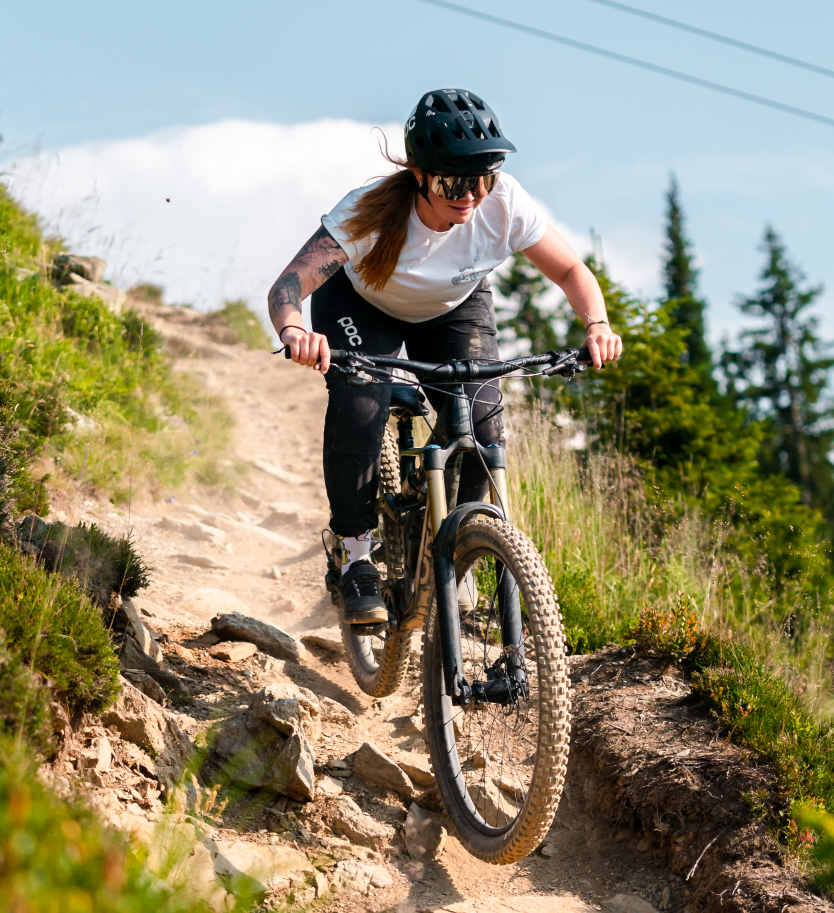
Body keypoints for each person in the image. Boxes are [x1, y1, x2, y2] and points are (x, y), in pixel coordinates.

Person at [266, 88, 623, 625]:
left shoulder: (503, 204)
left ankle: (458, 547)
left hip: (454, 305)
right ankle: (355, 553)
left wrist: (596, 324)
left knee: (483, 425)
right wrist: (295, 328)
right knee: (362, 400)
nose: (472, 195)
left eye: (485, 178)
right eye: (455, 181)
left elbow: (572, 271)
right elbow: (289, 284)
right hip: (366, 303)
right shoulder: (367, 212)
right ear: (420, 175)